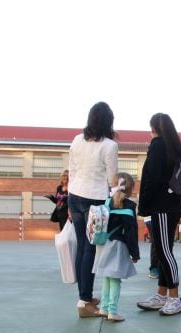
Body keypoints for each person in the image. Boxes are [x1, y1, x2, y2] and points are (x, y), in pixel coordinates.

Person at [137, 113, 181, 316]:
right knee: (164, 250)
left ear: (153, 128)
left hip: (162, 207)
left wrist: (143, 206)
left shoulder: (157, 146)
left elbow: (150, 179)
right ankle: (162, 295)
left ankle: (174, 297)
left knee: (164, 252)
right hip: (171, 205)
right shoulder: (171, 146)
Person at [67, 102, 118, 318]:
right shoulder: (109, 145)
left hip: (74, 196)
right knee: (90, 249)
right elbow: (112, 178)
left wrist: (70, 202)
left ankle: (84, 296)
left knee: (82, 247)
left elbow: (72, 169)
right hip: (94, 200)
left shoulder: (77, 139)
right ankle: (85, 301)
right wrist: (117, 199)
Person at [93, 173, 140, 322]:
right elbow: (131, 232)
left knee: (107, 277)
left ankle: (103, 308)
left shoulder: (107, 202)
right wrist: (135, 253)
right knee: (115, 280)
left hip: (103, 244)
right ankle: (112, 311)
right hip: (118, 246)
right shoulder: (130, 206)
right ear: (131, 189)